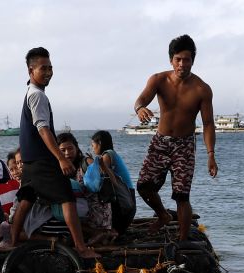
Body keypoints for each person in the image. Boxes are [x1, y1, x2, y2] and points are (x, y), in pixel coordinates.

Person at [10, 47, 93, 257]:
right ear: (31, 71)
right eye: (43, 68)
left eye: (50, 68)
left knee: (26, 198)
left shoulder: (31, 92)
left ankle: (12, 241)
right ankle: (81, 248)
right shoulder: (37, 96)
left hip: (29, 161)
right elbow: (43, 129)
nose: (48, 72)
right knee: (67, 198)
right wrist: (60, 159)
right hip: (42, 160)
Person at [133, 34, 217, 241]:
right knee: (144, 186)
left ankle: (183, 240)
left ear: (192, 61)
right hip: (160, 141)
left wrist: (211, 154)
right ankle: (162, 214)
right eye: (178, 59)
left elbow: (208, 124)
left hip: (185, 145)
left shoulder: (202, 89)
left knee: (182, 196)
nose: (182, 64)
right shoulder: (158, 80)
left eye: (186, 59)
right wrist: (140, 108)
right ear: (171, 60)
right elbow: (142, 98)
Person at [90, 129, 136, 236]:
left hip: (124, 200)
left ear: (99, 143)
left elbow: (100, 174)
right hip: (128, 198)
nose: (92, 148)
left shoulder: (107, 155)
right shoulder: (113, 154)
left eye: (93, 144)